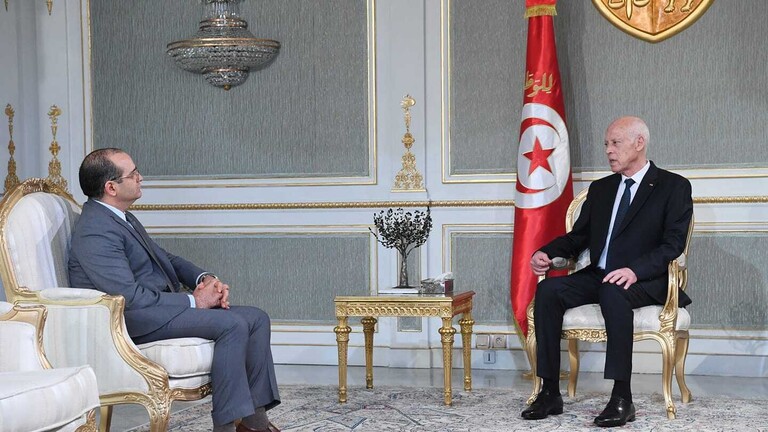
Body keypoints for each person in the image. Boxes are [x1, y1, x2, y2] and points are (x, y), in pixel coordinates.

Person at [68, 148, 280, 432]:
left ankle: (254, 425)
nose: (140, 178)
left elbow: (165, 258)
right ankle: (225, 427)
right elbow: (128, 298)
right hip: (132, 320)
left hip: (156, 309)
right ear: (111, 187)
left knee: (256, 318)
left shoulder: (120, 217)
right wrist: (194, 301)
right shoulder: (95, 230)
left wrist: (205, 279)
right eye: (133, 174)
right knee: (232, 324)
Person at [520, 116, 693, 427]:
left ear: (639, 143)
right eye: (606, 144)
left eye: (615, 143)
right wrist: (546, 252)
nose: (608, 150)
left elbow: (672, 245)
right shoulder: (601, 189)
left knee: (614, 291)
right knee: (548, 290)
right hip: (599, 275)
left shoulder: (673, 186)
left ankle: (621, 398)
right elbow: (579, 237)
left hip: (646, 279)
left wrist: (634, 270)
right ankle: (549, 392)